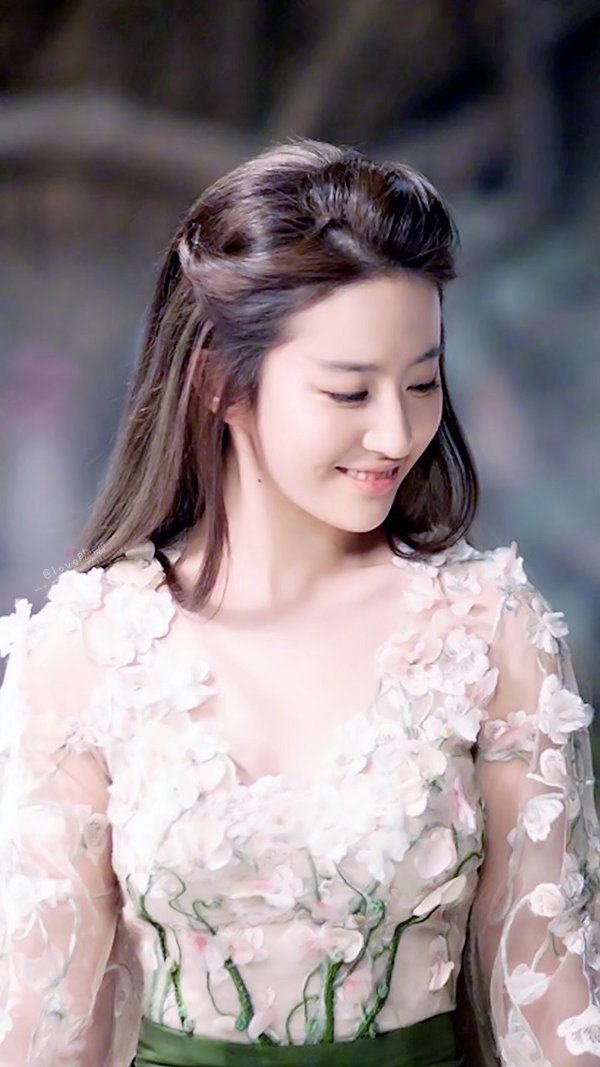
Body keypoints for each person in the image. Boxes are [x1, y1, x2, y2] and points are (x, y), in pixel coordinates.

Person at [0, 137, 599, 1067]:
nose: (396, 431)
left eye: (422, 381)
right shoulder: (86, 652)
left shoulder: (489, 632)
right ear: (218, 383)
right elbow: (42, 1033)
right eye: (348, 391)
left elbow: (554, 1015)